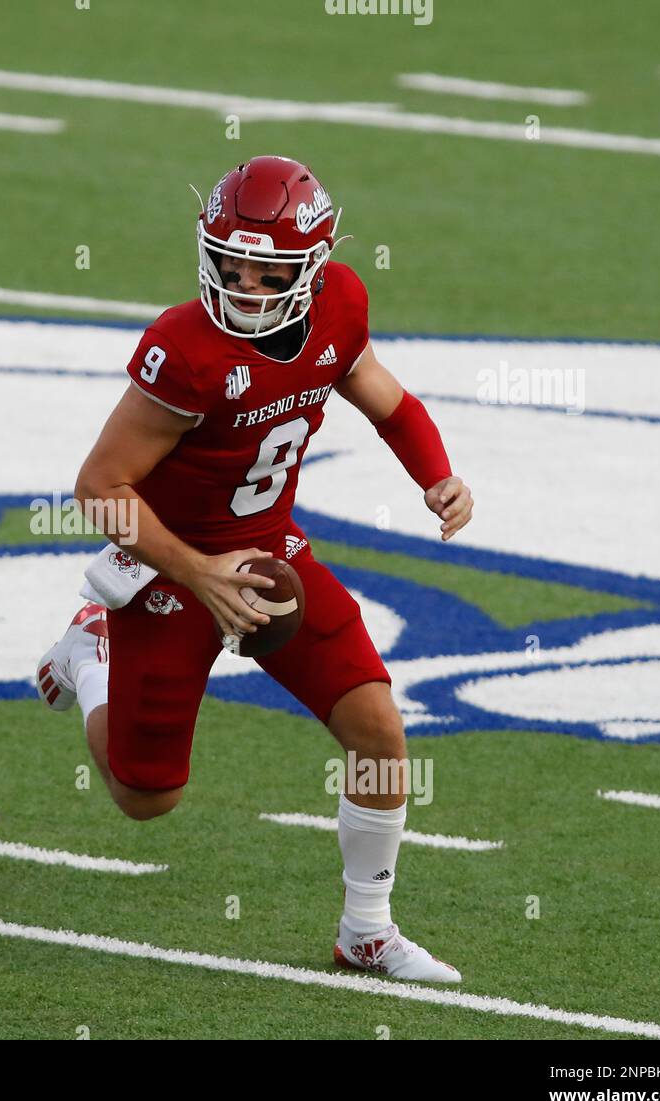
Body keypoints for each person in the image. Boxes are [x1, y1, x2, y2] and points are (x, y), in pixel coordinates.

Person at [36, 156, 474, 981]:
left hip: (270, 552)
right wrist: (198, 572)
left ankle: (367, 930)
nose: (240, 282)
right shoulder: (186, 349)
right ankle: (90, 656)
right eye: (227, 261)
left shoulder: (340, 303)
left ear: (311, 266)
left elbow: (384, 395)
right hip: (169, 567)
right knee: (145, 796)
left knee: (378, 727)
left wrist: (436, 475)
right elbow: (100, 486)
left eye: (265, 269)